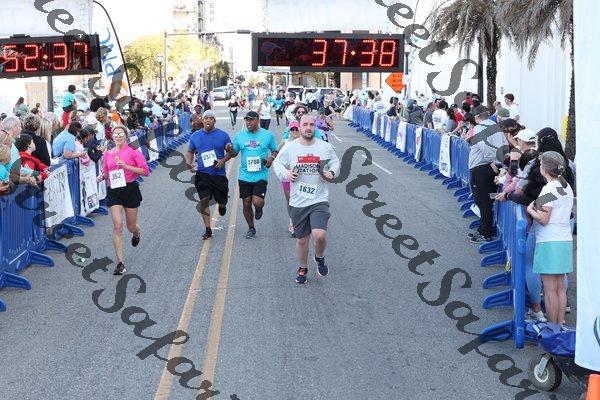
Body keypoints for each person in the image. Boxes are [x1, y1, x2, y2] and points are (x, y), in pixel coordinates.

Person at [273, 114, 340, 284]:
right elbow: (277, 163)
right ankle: (302, 267)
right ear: (299, 127)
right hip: (298, 201)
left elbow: (335, 162)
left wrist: (331, 172)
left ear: (315, 127)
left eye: (311, 124)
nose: (308, 128)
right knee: (302, 240)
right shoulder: (290, 147)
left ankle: (319, 257)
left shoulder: (324, 147)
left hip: (319, 199)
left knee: (319, 235)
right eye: (305, 125)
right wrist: (286, 174)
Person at [527, 151, 574, 325]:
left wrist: (530, 211)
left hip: (549, 241)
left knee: (549, 290)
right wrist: (535, 206)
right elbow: (541, 204)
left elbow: (543, 217)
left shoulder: (549, 188)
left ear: (544, 169)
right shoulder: (565, 186)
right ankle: (558, 327)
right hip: (564, 239)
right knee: (560, 288)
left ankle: (552, 329)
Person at [97, 126, 150, 275]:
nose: (118, 136)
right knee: (118, 226)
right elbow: (106, 171)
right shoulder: (108, 154)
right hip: (114, 190)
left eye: (121, 134)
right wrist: (102, 177)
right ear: (112, 137)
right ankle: (120, 263)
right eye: (116, 134)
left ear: (126, 136)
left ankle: (136, 232)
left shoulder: (133, 151)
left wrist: (126, 166)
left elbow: (145, 171)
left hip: (130, 189)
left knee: (130, 226)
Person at [226, 111, 278, 239]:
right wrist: (229, 149)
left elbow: (275, 150)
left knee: (257, 202)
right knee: (246, 203)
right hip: (244, 175)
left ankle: (259, 209)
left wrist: (271, 158)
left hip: (261, 175)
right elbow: (234, 153)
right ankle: (251, 228)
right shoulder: (240, 136)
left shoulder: (267, 135)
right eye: (247, 120)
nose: (248, 122)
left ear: (258, 120)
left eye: (251, 120)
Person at [185, 110, 232, 240]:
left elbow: (230, 152)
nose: (208, 120)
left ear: (214, 121)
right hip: (202, 174)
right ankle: (207, 229)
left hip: (218, 174)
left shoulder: (223, 135)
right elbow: (190, 151)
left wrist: (223, 160)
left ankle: (222, 204)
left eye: (211, 118)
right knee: (204, 200)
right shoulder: (195, 136)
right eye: (206, 118)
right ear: (202, 120)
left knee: (221, 199)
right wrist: (189, 163)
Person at [467, 107, 509, 243]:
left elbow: (484, 146)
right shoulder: (496, 127)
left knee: (482, 201)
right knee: (486, 200)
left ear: (476, 117)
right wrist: (500, 163)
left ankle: (485, 233)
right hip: (489, 166)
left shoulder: (480, 128)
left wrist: (492, 161)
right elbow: (505, 146)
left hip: (482, 167)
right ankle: (483, 229)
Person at [278, 120, 301, 237]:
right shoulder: (285, 142)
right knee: (290, 200)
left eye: (297, 129)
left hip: (301, 176)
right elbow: (276, 154)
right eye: (292, 129)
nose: (295, 131)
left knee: (300, 199)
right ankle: (292, 222)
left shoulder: (304, 142)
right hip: (287, 176)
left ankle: (299, 223)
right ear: (289, 131)